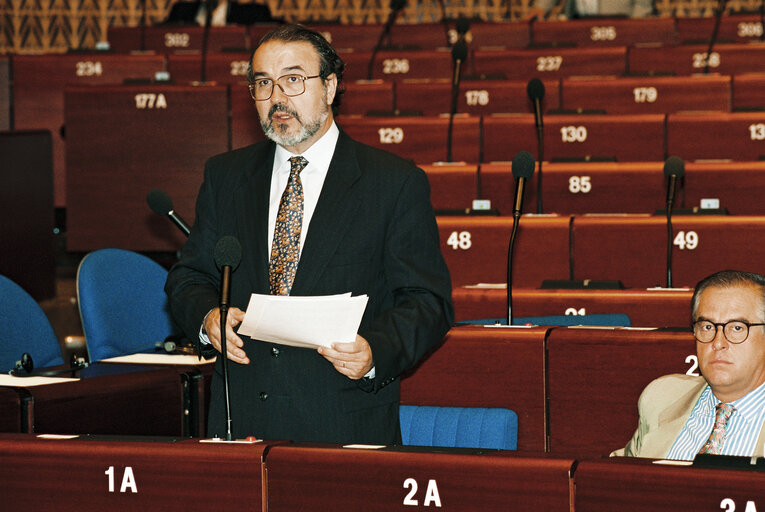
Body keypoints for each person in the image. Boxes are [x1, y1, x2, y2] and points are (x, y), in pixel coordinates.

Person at [165, 24, 453, 445]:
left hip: (343, 421)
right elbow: (189, 278)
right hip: (241, 421)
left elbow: (428, 302)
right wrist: (209, 317)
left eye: (294, 80)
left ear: (330, 86)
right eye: (264, 83)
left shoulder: (392, 183)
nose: (277, 97)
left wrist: (375, 350)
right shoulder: (226, 177)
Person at [613, 270, 765, 459]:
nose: (717, 343)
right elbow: (618, 479)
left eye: (736, 328)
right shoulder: (661, 398)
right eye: (707, 327)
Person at [527, 0, 653, 20]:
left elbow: (643, 4)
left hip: (618, 22)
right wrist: (541, 7)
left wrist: (636, 26)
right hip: (576, 22)